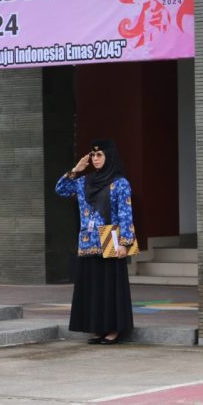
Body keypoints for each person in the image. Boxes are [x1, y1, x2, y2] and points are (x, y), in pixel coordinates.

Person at [55, 139, 135, 345]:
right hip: (87, 241)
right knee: (93, 288)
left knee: (109, 287)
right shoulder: (84, 182)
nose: (96, 159)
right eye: (93, 155)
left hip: (110, 239)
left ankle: (113, 329)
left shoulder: (119, 183)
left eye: (100, 155)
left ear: (109, 157)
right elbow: (61, 190)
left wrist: (125, 244)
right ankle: (97, 328)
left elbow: (126, 214)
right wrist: (76, 169)